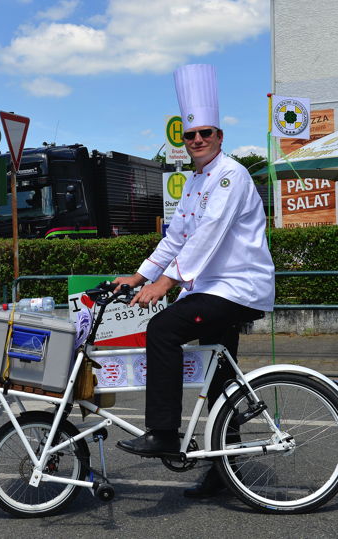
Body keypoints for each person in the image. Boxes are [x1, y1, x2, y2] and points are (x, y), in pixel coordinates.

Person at [111, 64, 275, 498]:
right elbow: (177, 236)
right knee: (219, 381)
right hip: (213, 288)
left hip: (238, 287)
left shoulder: (230, 175)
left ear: (220, 136)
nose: (197, 140)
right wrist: (142, 274)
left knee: (162, 329)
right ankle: (225, 472)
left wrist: (167, 282)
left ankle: (163, 431)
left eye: (205, 133)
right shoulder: (195, 181)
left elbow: (209, 233)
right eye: (190, 135)